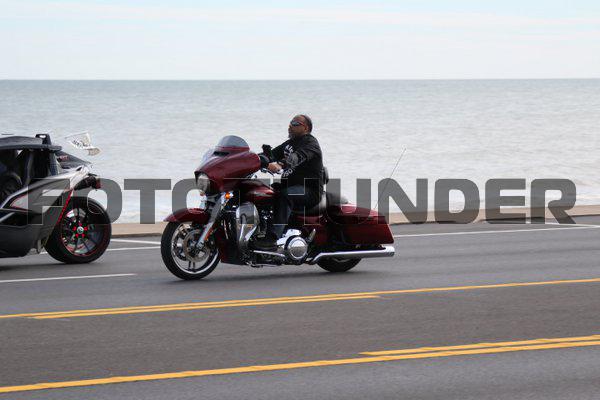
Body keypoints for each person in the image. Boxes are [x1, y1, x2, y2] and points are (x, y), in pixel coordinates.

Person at [255, 115, 324, 250]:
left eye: (294, 123)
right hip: (290, 186)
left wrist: (281, 164)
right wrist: (252, 160)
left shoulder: (311, 144)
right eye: (290, 123)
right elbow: (271, 155)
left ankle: (272, 238)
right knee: (261, 192)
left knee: (285, 196)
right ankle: (258, 230)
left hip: (309, 190)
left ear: (305, 128)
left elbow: (298, 157)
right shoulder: (289, 144)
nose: (290, 126)